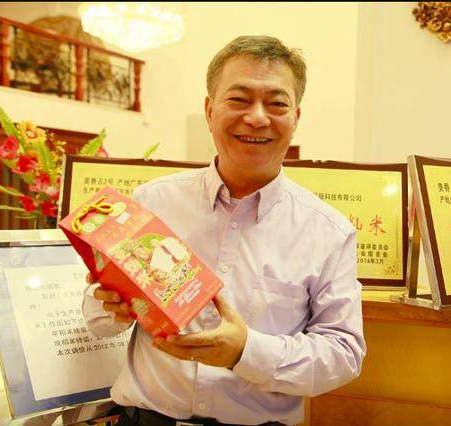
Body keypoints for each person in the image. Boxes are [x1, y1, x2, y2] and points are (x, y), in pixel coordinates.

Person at [83, 35, 366, 426]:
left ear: (296, 117)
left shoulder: (328, 231)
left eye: (277, 103)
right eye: (239, 99)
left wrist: (246, 350)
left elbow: (343, 354)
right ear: (209, 109)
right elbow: (96, 318)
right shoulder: (153, 201)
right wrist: (109, 304)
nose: (257, 117)